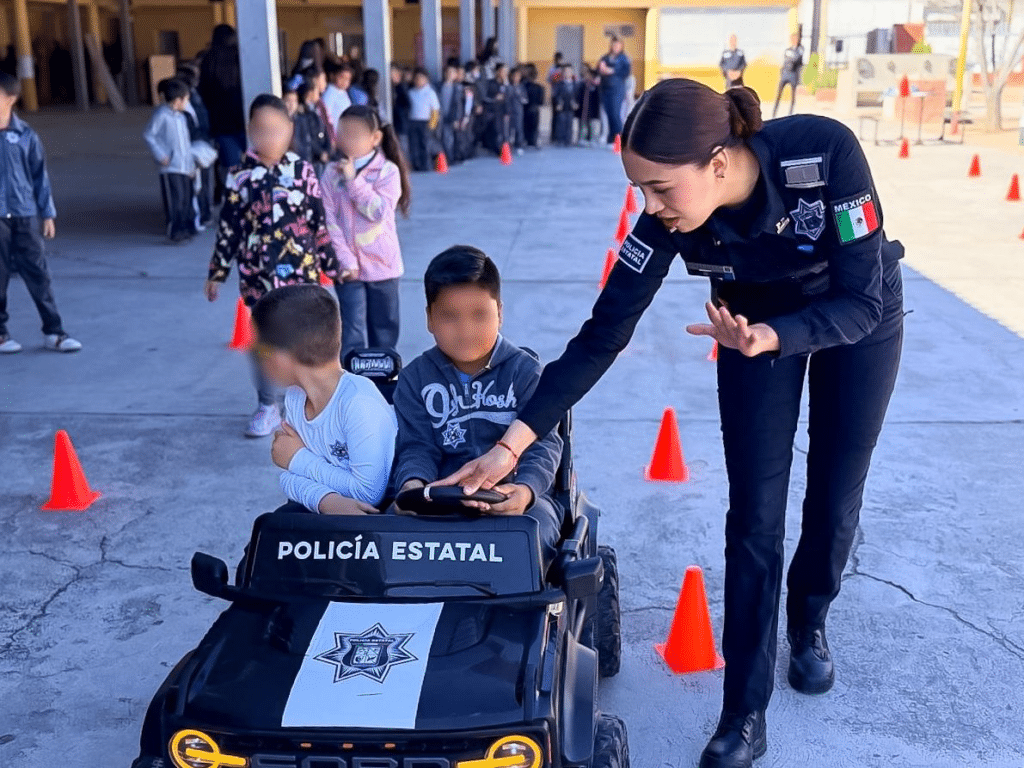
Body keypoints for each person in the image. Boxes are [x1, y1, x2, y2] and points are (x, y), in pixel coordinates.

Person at [438, 79, 905, 768]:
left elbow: (861, 303)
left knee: (835, 492)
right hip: (746, 324)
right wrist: (512, 445)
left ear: (717, 163)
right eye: (640, 190)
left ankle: (808, 620)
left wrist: (777, 336)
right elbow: (602, 336)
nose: (649, 208)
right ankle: (744, 712)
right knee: (755, 516)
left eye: (659, 189)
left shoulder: (821, 153)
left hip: (853, 318)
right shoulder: (667, 219)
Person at [392, 246, 563, 563]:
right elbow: (416, 447)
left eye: (479, 315)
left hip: (512, 497)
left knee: (532, 537)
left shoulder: (525, 373)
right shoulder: (415, 379)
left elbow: (544, 444)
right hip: (441, 499)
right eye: (449, 317)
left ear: (500, 312)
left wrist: (525, 491)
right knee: (390, 536)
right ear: (429, 318)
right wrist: (413, 486)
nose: (465, 330)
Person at [204, 94, 340, 438]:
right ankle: (267, 404)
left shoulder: (303, 171)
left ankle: (309, 403)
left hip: (300, 274)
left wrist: (332, 264)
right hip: (258, 277)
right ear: (250, 131)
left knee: (304, 339)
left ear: (290, 130)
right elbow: (229, 228)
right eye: (261, 130)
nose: (269, 137)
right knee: (263, 343)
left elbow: (318, 222)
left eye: (277, 130)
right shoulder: (239, 175)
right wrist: (217, 272)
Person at [253, 284, 397, 514]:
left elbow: (369, 493)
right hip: (329, 515)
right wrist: (326, 502)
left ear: (282, 355)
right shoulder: (295, 398)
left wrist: (298, 458)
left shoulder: (358, 403)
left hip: (380, 521)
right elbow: (288, 478)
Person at [0, 72, 82, 354]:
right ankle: (1, 333)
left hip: (24, 215)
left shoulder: (26, 136)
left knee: (38, 274)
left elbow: (39, 177)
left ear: (11, 99)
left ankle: (54, 332)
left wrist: (47, 213)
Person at [321, 105, 411, 358]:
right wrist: (345, 260)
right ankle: (354, 380)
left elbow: (379, 212)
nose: (346, 139)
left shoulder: (388, 172)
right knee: (351, 334)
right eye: (342, 133)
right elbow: (328, 219)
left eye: (354, 134)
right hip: (347, 268)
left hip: (383, 266)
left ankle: (385, 379)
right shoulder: (330, 173)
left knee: (384, 333)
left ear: (375, 138)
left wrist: (353, 181)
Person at [143, 78, 197, 243]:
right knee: (176, 200)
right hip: (171, 167)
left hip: (185, 166)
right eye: (186, 100)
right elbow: (149, 135)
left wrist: (191, 165)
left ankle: (185, 227)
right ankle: (175, 230)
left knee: (186, 198)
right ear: (177, 100)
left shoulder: (182, 117)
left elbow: (186, 144)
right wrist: (161, 155)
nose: (187, 103)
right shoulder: (161, 115)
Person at [198, 25, 245, 171]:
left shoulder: (208, 59)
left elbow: (203, 90)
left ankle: (233, 185)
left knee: (231, 167)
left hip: (220, 121)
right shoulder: (240, 56)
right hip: (243, 117)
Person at [178, 62, 216, 229]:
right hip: (198, 147)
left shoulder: (193, 99)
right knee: (201, 184)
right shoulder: (193, 99)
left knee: (200, 184)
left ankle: (201, 214)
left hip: (198, 147)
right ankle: (201, 214)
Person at [597, 36, 631, 146]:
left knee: (615, 113)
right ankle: (611, 139)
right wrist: (600, 68)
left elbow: (626, 72)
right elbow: (598, 70)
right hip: (605, 89)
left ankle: (619, 139)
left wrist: (612, 70)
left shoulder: (623, 58)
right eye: (614, 44)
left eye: (618, 45)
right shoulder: (605, 57)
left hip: (617, 89)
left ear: (621, 46)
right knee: (609, 113)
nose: (615, 47)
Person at [406, 67, 440, 172]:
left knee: (425, 145)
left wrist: (432, 125)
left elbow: (435, 110)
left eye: (421, 78)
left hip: (425, 122)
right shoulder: (411, 92)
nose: (418, 80)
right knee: (413, 144)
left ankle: (425, 165)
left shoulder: (430, 93)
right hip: (413, 121)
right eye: (416, 78)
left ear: (426, 79)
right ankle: (416, 164)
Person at [773, 33, 804, 118]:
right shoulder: (788, 50)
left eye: (796, 39)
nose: (795, 41)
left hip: (793, 75)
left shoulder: (800, 49)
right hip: (785, 74)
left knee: (793, 96)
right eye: (793, 39)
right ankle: (774, 113)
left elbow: (796, 59)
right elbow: (785, 60)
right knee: (779, 94)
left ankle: (790, 114)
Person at [322, 59, 354, 140]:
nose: (344, 82)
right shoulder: (330, 92)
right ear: (332, 76)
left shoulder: (343, 92)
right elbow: (325, 115)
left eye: (348, 79)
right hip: (334, 135)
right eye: (342, 77)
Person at [439, 62, 464, 163]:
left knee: (450, 139)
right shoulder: (439, 86)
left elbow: (459, 105)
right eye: (448, 72)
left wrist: (457, 118)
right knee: (442, 138)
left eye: (452, 72)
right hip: (440, 117)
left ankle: (450, 158)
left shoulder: (458, 88)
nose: (450, 74)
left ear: (455, 75)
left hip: (451, 117)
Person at [551, 63, 577, 146]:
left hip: (570, 107)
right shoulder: (559, 84)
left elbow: (577, 95)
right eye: (566, 71)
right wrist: (558, 103)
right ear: (563, 73)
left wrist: (575, 103)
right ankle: (560, 139)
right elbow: (556, 95)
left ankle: (568, 140)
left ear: (572, 73)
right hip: (562, 107)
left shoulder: (575, 84)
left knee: (569, 124)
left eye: (569, 71)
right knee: (561, 123)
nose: (567, 73)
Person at [576, 65, 602, 146]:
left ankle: (591, 139)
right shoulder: (582, 84)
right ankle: (581, 138)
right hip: (583, 109)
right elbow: (579, 95)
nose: (587, 76)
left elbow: (598, 98)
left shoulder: (596, 85)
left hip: (592, 110)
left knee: (591, 125)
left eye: (588, 74)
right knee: (582, 124)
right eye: (586, 74)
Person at [507, 66, 528, 155]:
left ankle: (519, 145)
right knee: (509, 129)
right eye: (514, 76)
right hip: (509, 110)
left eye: (518, 76)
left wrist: (523, 99)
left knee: (519, 128)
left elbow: (525, 98)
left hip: (519, 110)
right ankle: (508, 146)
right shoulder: (508, 86)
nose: (516, 78)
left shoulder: (521, 87)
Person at [523, 64, 544, 148]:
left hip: (529, 108)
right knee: (533, 126)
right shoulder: (539, 88)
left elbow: (540, 101)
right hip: (533, 109)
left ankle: (530, 141)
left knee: (528, 125)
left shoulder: (525, 86)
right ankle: (532, 141)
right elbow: (541, 102)